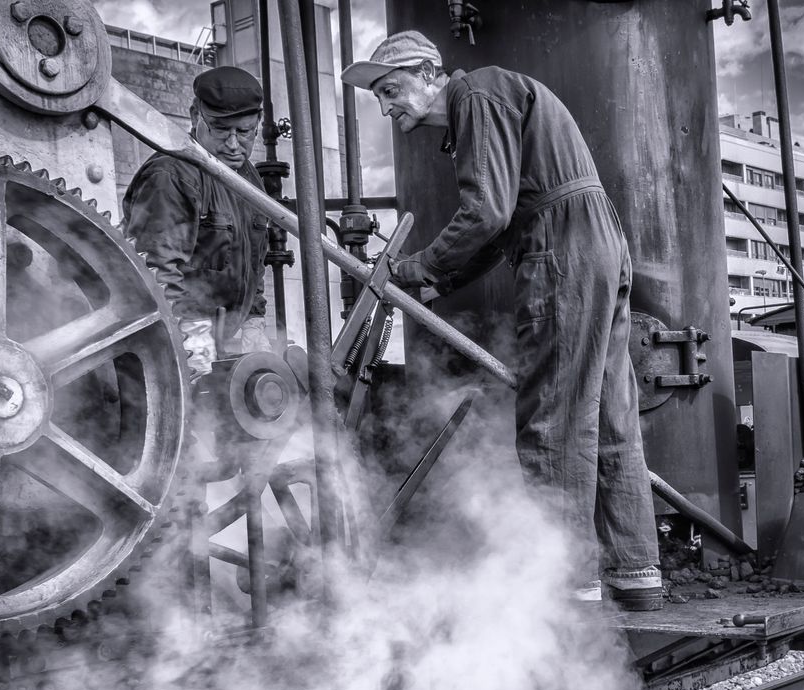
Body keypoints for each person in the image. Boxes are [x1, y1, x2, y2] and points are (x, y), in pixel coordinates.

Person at [342, 32, 662, 610]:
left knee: (554, 418)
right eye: (379, 97)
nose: (386, 106)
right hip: (596, 240)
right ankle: (635, 575)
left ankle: (564, 586)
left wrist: (412, 267)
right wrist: (431, 281)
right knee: (610, 416)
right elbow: (496, 226)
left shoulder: (477, 97)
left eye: (391, 90)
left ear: (430, 72)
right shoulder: (492, 100)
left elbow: (486, 214)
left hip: (563, 249)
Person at [123, 66, 273, 378]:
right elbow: (154, 270)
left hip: (221, 340)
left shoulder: (248, 179)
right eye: (221, 130)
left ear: (257, 125)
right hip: (169, 342)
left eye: (244, 132)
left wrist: (254, 321)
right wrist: (191, 340)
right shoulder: (171, 175)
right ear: (195, 116)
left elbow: (253, 261)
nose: (233, 144)